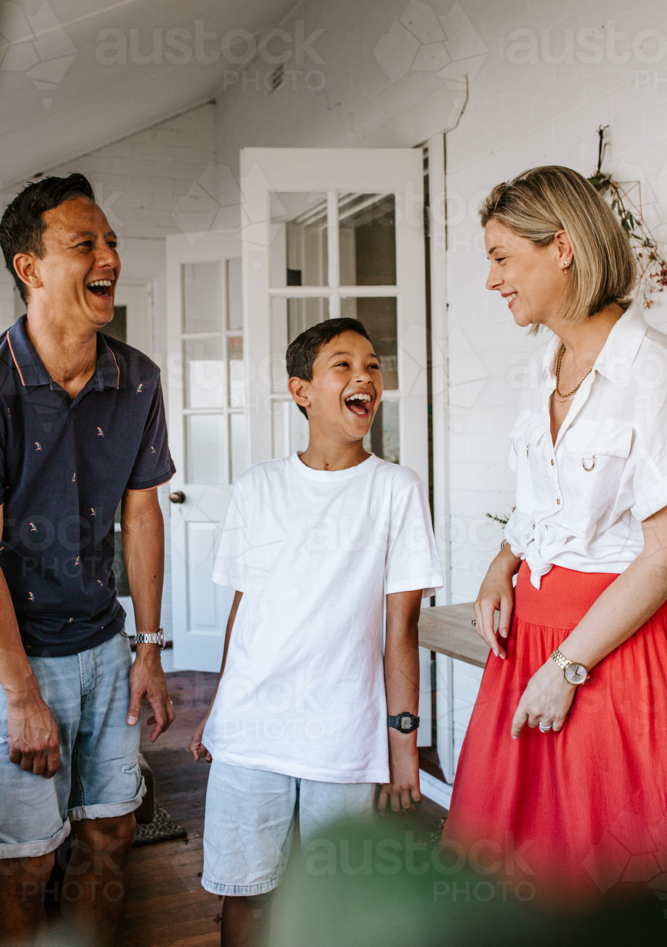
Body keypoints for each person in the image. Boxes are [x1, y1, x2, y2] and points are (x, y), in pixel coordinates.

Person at [444, 165, 667, 904]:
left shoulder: (653, 374)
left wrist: (566, 668)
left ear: (562, 248)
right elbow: (542, 505)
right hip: (529, 649)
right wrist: (501, 562)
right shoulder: (541, 367)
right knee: (507, 883)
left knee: (594, 889)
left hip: (605, 654)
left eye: (501, 258)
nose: (491, 280)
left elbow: (663, 557)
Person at [190, 317, 443, 947]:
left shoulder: (396, 490)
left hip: (344, 736)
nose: (365, 376)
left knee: (337, 907)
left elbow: (402, 629)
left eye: (373, 366)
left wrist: (403, 748)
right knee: (247, 897)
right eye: (343, 365)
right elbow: (245, 607)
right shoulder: (259, 486)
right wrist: (218, 707)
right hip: (252, 730)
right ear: (301, 390)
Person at [0, 174, 176, 945]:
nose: (108, 258)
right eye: (84, 244)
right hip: (16, 656)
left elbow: (142, 516)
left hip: (105, 646)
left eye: (110, 243)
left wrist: (148, 648)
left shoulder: (137, 378)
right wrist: (21, 694)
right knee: (25, 862)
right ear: (29, 268)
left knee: (112, 834)